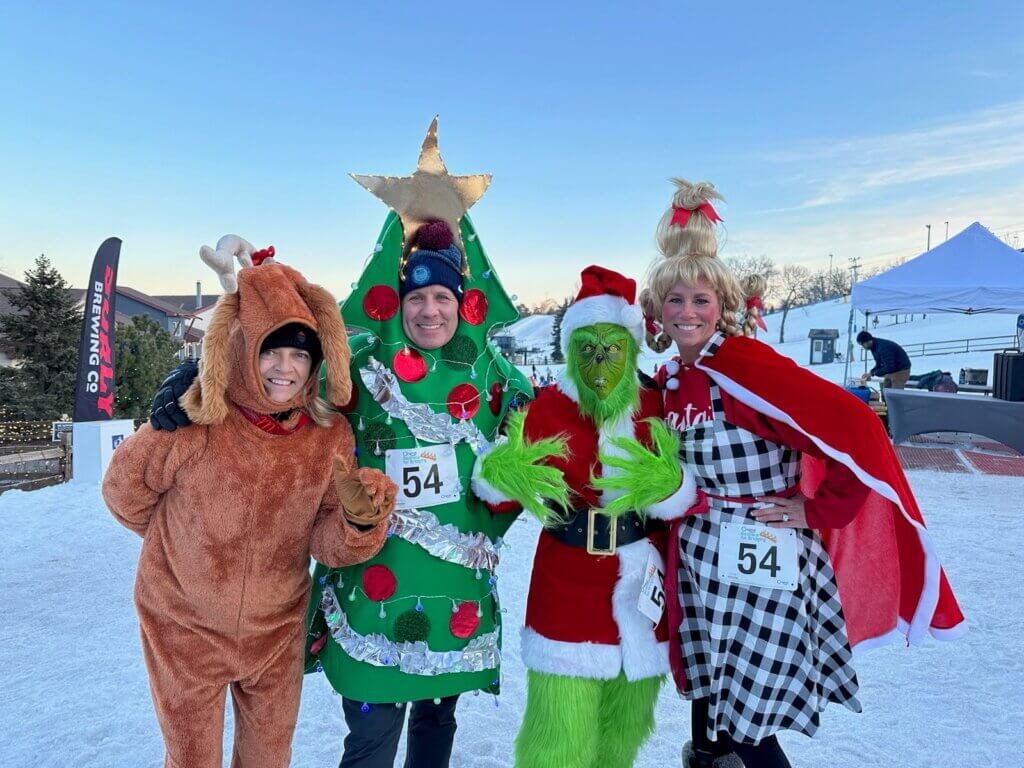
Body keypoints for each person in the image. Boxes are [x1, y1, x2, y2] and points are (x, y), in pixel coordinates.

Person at [639, 179, 966, 768]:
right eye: (676, 300)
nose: (687, 312)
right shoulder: (671, 380)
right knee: (712, 703)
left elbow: (854, 427)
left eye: (701, 300)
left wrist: (814, 510)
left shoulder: (746, 367)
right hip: (699, 558)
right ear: (658, 310)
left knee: (750, 724)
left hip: (758, 558)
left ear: (720, 306)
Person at [104, 238, 395, 768]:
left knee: (268, 758)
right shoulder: (196, 419)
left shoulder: (327, 436)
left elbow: (325, 542)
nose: (285, 367)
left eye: (300, 354)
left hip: (274, 631)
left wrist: (357, 522)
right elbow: (123, 493)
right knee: (192, 760)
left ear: (316, 362)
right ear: (243, 348)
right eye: (270, 350)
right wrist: (182, 543)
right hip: (184, 627)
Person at [472, 265, 704, 768]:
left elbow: (695, 491)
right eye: (588, 349)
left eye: (613, 348)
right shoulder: (548, 408)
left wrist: (671, 487)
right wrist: (504, 473)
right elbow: (497, 496)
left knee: (623, 734)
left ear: (632, 348)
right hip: (567, 587)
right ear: (571, 351)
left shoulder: (656, 403)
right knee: (559, 738)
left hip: (641, 590)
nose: (601, 362)